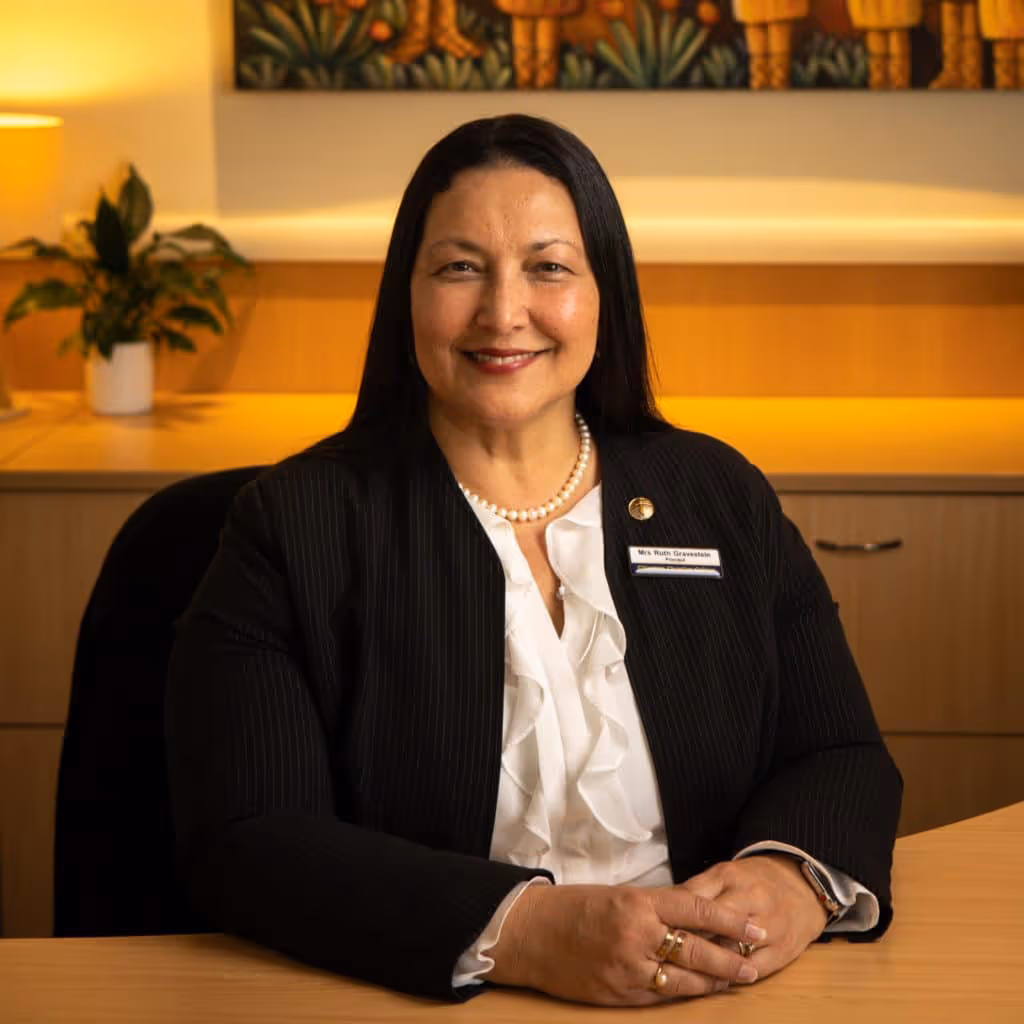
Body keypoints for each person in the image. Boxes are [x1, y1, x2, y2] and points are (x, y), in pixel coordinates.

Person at [164, 114, 903, 1007]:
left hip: (723, 990)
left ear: (604, 294)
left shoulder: (718, 494)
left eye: (548, 267)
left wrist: (791, 878)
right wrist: (520, 932)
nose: (502, 312)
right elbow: (250, 838)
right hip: (422, 997)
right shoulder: (296, 525)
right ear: (408, 294)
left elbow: (840, 752)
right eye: (459, 268)